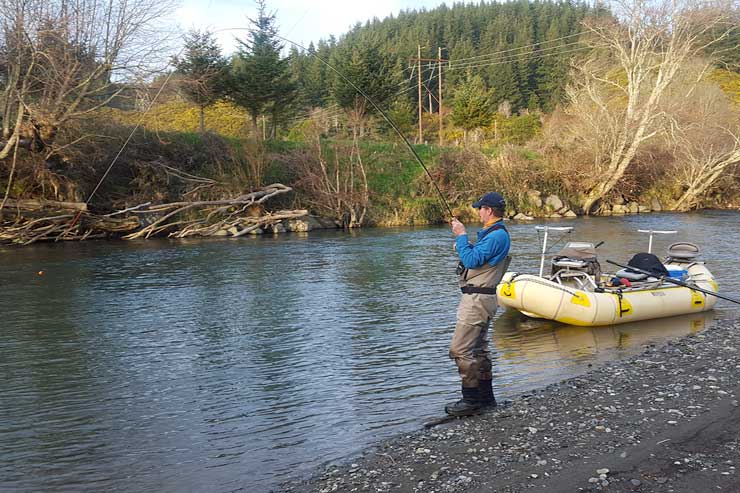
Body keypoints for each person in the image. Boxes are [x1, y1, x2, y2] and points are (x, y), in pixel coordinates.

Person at [447, 192, 511, 416]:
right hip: (483, 298)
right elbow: (477, 256)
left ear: (489, 211)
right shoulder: (494, 235)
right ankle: (486, 399)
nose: (478, 212)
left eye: (480, 208)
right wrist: (464, 244)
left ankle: (471, 400)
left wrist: (461, 235)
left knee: (460, 349)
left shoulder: (496, 236)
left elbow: (472, 261)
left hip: (477, 300)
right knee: (479, 349)